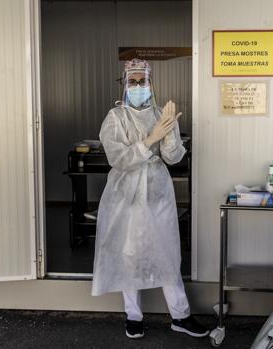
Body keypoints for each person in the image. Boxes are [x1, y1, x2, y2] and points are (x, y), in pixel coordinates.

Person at [91, 59, 208, 339]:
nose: (138, 86)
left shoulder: (160, 114)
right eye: (132, 82)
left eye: (142, 81)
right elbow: (118, 158)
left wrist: (167, 137)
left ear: (150, 83)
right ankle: (133, 316)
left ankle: (181, 315)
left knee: (167, 253)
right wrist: (150, 139)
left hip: (157, 193)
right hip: (125, 195)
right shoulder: (115, 118)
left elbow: (174, 157)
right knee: (127, 253)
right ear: (124, 85)